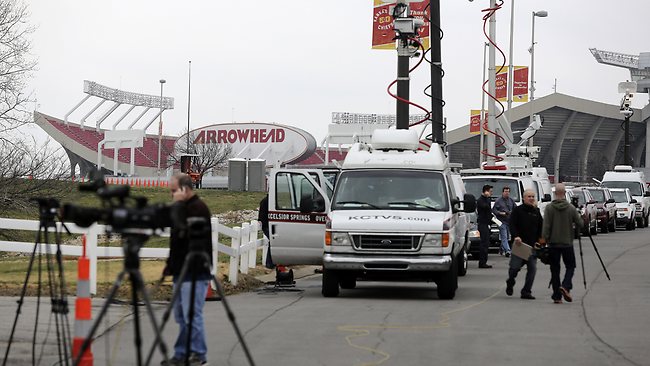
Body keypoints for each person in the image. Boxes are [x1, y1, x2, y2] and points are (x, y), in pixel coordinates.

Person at [163, 173, 212, 366]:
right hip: (180, 269)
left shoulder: (198, 208)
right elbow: (175, 240)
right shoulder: (183, 208)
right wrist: (170, 264)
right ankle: (182, 352)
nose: (172, 194)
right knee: (181, 315)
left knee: (192, 314)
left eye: (174, 190)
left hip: (195, 270)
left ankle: (198, 353)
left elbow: (186, 235)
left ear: (185, 189)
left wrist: (177, 207)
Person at [542, 183, 583, 304]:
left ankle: (557, 296)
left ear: (555, 194)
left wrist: (542, 242)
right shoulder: (570, 208)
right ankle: (566, 285)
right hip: (567, 243)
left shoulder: (549, 208)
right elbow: (580, 223)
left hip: (553, 244)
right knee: (570, 266)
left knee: (555, 269)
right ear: (565, 194)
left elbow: (546, 227)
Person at [506, 189, 543, 300]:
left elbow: (541, 228)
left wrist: (541, 242)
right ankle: (510, 281)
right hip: (520, 245)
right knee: (514, 268)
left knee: (532, 269)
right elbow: (512, 225)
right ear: (524, 198)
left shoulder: (536, 211)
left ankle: (526, 291)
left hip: (532, 246)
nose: (531, 198)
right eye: (529, 196)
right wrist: (516, 236)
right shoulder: (517, 210)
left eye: (533, 196)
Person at [493, 186, 516, 257]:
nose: (507, 193)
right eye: (505, 192)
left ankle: (501, 249)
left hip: (509, 221)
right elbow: (494, 210)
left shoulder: (511, 200)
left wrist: (512, 212)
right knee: (504, 236)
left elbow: (515, 209)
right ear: (503, 192)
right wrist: (500, 213)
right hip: (501, 221)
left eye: (508, 192)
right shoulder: (498, 201)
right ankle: (508, 250)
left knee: (507, 237)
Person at [476, 184, 494, 268]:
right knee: (484, 243)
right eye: (490, 191)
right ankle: (482, 262)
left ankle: (484, 261)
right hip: (482, 223)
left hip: (487, 223)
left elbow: (489, 212)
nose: (491, 193)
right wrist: (486, 198)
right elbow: (485, 207)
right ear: (485, 191)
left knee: (487, 243)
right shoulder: (481, 200)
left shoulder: (487, 200)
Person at [257, 194, 274, 269]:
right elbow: (262, 217)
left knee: (273, 242)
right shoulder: (266, 202)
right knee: (273, 242)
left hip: (267, 226)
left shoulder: (266, 201)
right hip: (267, 226)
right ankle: (269, 263)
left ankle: (271, 262)